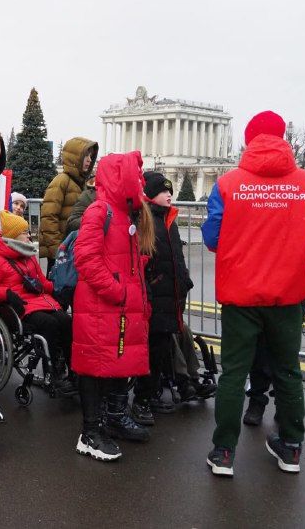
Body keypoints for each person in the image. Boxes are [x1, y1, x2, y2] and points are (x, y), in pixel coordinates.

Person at [201, 110, 305, 477]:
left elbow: (212, 237)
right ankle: (291, 447)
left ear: (249, 139)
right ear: (282, 139)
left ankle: (224, 452)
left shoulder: (229, 183)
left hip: (240, 296)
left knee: (233, 374)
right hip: (289, 295)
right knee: (288, 371)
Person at [71, 151, 153, 461]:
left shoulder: (123, 212)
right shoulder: (100, 210)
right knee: (94, 367)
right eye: (136, 176)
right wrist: (118, 291)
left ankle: (113, 419)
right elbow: (87, 259)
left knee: (117, 362)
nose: (140, 182)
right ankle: (90, 433)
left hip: (116, 306)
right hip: (101, 306)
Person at [0, 211, 75, 393]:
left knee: (67, 321)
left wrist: (58, 289)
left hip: (41, 301)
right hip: (18, 307)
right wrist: (6, 293)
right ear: (13, 235)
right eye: (24, 232)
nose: (28, 235)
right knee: (50, 325)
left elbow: (41, 283)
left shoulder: (28, 255)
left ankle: (73, 372)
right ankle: (53, 373)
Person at [132, 171, 196, 426]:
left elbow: (176, 258)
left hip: (170, 296)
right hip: (154, 298)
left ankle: (152, 393)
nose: (169, 194)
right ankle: (142, 399)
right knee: (152, 351)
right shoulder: (145, 221)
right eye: (163, 190)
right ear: (149, 193)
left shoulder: (168, 220)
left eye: (170, 190)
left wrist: (184, 280)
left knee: (159, 350)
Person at [39, 138, 98, 271]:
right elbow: (48, 218)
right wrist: (58, 250)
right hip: (62, 251)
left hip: (74, 249)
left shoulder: (83, 183)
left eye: (90, 156)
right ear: (75, 157)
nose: (89, 159)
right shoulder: (61, 181)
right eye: (85, 155)